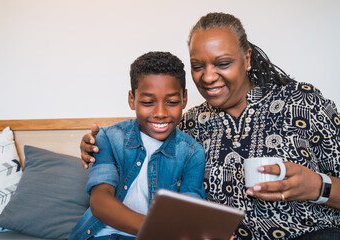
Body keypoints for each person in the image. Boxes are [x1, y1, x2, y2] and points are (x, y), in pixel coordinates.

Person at [80, 13, 340, 240]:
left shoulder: (302, 101)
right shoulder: (189, 125)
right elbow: (134, 145)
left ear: (246, 57)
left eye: (222, 63)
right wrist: (92, 145)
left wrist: (319, 187)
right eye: (197, 67)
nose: (208, 77)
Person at [70, 51, 205, 240]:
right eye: (148, 102)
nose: (160, 113)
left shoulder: (192, 153)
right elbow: (100, 202)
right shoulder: (109, 137)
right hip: (102, 235)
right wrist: (159, 230)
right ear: (132, 100)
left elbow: (191, 210)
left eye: (172, 102)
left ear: (184, 99)